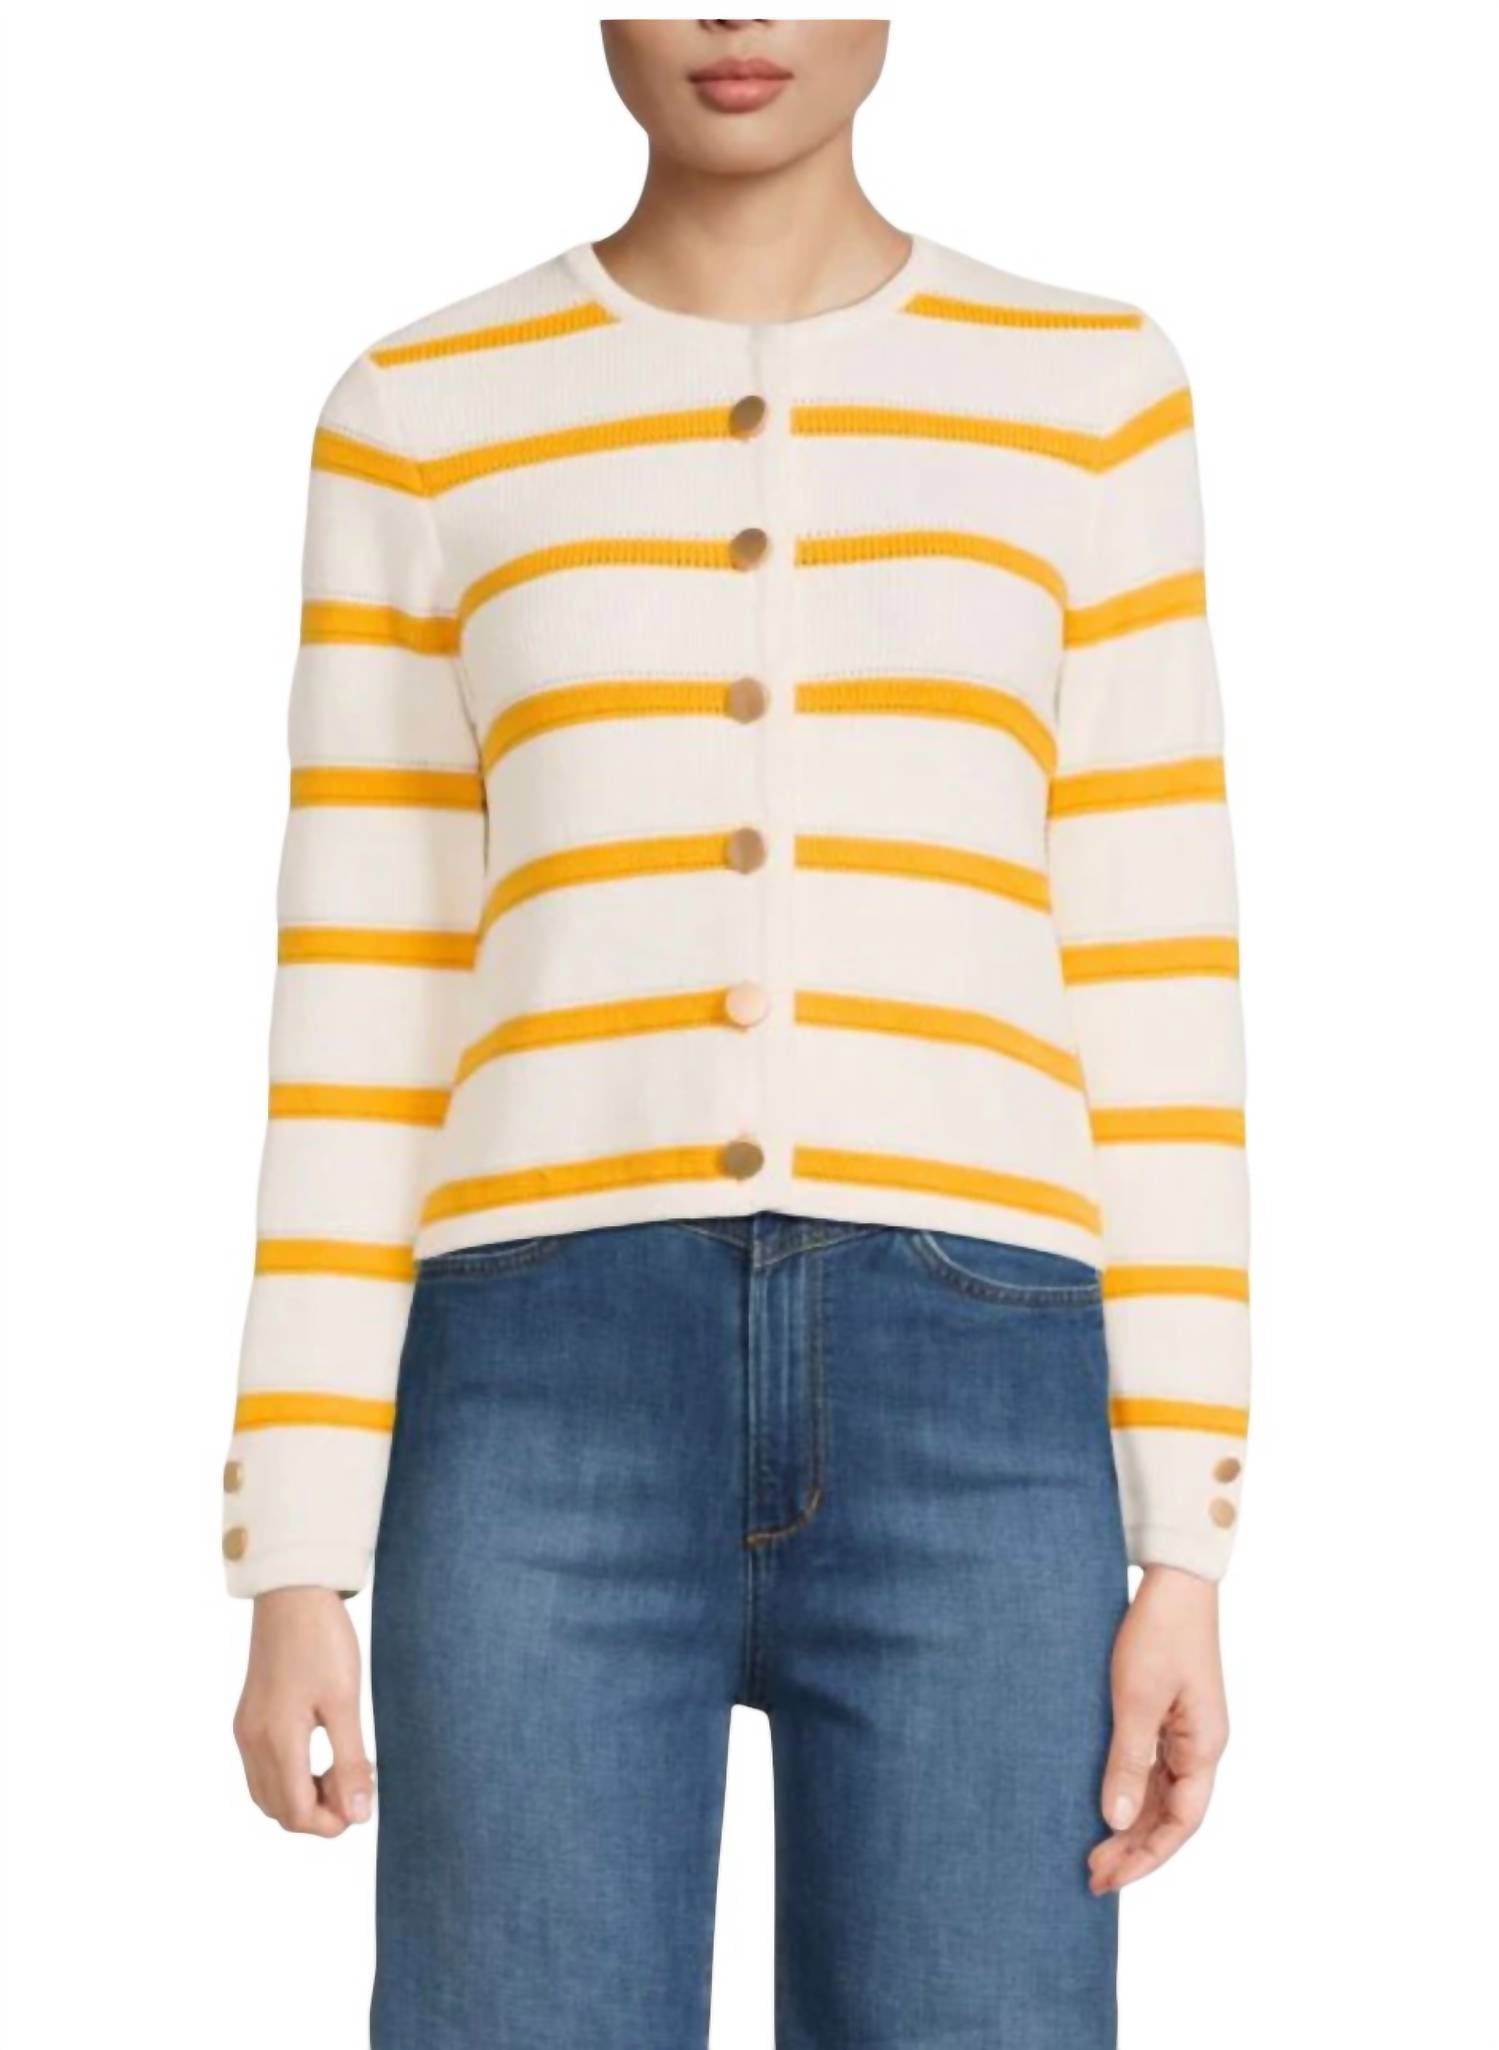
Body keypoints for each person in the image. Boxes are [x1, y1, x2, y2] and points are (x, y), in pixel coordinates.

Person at [226, 19, 1247, 2047]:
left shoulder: (1093, 396)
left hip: (987, 1394)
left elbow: (1153, 974)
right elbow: (364, 984)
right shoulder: (421, 413)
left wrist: (1186, 1535)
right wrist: (297, 1537)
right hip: (534, 1396)